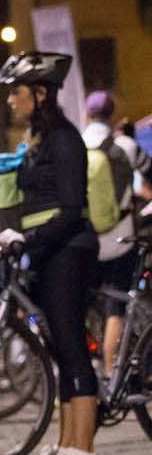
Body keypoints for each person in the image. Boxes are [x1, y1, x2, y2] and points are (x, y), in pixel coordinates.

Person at [0, 53, 101, 455]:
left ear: (40, 94)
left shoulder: (65, 139)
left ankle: (84, 449)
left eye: (16, 92)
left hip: (68, 251)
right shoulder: (38, 139)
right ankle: (65, 444)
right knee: (59, 350)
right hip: (46, 253)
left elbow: (72, 211)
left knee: (73, 347)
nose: (10, 101)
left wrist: (30, 238)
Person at [83, 89, 148, 381]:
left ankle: (82, 374)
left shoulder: (77, 144)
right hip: (120, 240)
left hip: (86, 241)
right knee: (115, 310)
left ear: (88, 115)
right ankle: (111, 371)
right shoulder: (125, 146)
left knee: (78, 307)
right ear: (111, 115)